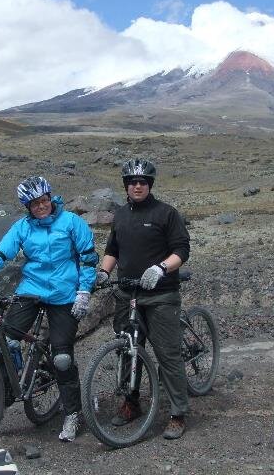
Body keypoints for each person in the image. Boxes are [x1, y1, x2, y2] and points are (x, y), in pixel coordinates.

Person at [0, 176, 98, 443]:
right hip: (30, 291)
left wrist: (83, 292)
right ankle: (7, 392)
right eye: (34, 204)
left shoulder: (71, 222)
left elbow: (89, 258)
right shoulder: (22, 227)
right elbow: (0, 255)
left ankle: (72, 413)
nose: (40, 206)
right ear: (28, 206)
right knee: (5, 339)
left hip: (64, 294)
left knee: (62, 358)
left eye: (43, 200)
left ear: (50, 198)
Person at [97, 158, 190, 440]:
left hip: (161, 296)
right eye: (132, 182)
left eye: (142, 182)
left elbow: (182, 250)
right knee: (128, 349)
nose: (137, 186)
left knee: (168, 354)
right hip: (128, 294)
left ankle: (178, 413)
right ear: (126, 186)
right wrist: (103, 272)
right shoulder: (121, 215)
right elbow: (113, 249)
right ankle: (131, 402)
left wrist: (161, 267)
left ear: (149, 185)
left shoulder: (166, 213)